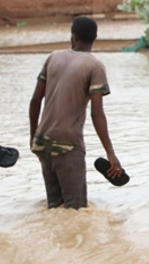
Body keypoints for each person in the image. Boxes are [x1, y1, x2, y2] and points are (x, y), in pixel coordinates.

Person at [29, 16, 123, 210]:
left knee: (54, 208)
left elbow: (35, 100)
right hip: (68, 146)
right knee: (76, 210)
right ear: (94, 38)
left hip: (42, 142)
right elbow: (97, 114)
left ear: (74, 37)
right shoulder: (95, 66)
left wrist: (33, 136)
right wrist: (110, 153)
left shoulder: (53, 57)